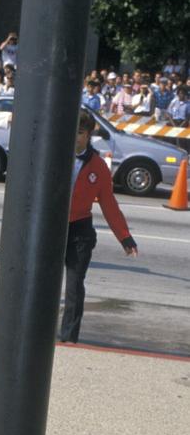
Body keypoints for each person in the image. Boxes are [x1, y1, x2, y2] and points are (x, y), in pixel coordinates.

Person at [61, 109, 138, 343]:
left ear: (88, 135)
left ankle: (69, 337)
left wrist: (125, 237)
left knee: (75, 284)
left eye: (80, 133)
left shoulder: (98, 167)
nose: (75, 137)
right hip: (52, 227)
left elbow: (109, 204)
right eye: (72, 131)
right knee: (41, 281)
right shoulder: (54, 155)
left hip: (80, 229)